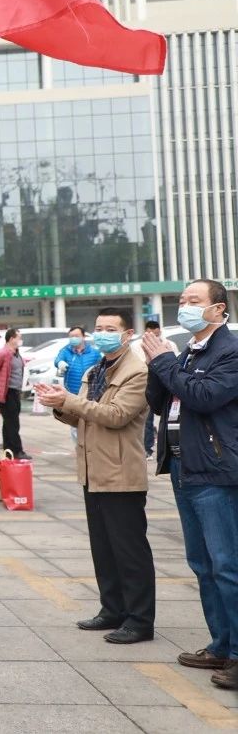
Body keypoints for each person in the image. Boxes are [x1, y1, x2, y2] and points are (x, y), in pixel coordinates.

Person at [36, 307, 155, 645]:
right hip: (93, 471)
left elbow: (116, 415)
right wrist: (59, 405)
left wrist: (70, 401)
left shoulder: (137, 372)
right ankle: (113, 609)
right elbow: (84, 416)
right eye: (98, 328)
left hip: (121, 472)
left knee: (129, 551)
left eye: (110, 328)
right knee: (104, 549)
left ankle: (140, 620)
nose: (102, 333)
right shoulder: (96, 369)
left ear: (127, 334)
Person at [143, 279, 238, 690]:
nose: (184, 306)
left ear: (219, 309)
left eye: (194, 301)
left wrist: (165, 362)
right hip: (184, 466)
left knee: (227, 565)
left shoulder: (230, 352)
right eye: (182, 300)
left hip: (215, 470)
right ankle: (221, 644)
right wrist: (157, 364)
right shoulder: (188, 351)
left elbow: (203, 397)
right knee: (202, 564)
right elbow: (160, 402)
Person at [133, 320, 179, 457]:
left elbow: (175, 365)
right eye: (151, 333)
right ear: (146, 331)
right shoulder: (137, 346)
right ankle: (147, 448)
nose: (154, 336)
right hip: (145, 385)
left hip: (166, 386)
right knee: (147, 420)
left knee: (165, 418)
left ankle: (166, 447)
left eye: (156, 334)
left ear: (160, 331)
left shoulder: (169, 344)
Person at [0, 328, 31, 460]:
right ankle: (17, 450)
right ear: (11, 339)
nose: (20, 340)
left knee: (9, 422)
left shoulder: (16, 354)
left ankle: (8, 449)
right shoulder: (2, 354)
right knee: (13, 423)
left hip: (15, 391)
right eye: (19, 338)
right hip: (6, 392)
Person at [55, 326, 102, 395]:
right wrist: (60, 363)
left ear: (83, 337)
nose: (74, 338)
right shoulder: (65, 351)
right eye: (71, 336)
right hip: (71, 391)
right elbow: (58, 360)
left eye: (76, 336)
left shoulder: (94, 353)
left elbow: (102, 366)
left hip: (89, 390)